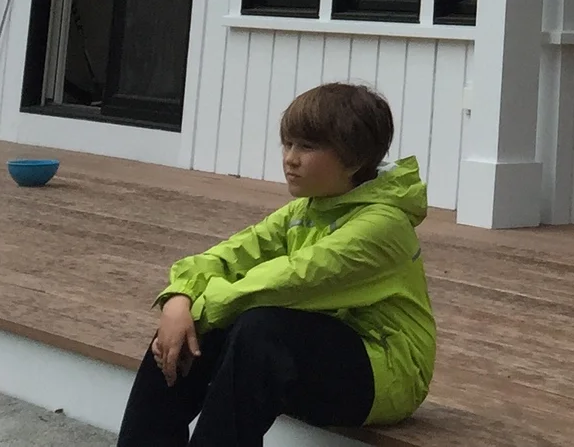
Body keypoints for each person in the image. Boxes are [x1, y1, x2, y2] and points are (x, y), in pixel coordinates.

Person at [116, 82, 436, 445]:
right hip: (312, 356)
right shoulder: (308, 209)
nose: (290, 158)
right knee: (192, 326)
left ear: (356, 159)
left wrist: (191, 311)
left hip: (385, 374)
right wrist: (179, 299)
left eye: (308, 146)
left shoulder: (383, 226)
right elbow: (228, 255)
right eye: (288, 143)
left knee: (257, 328)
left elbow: (289, 281)